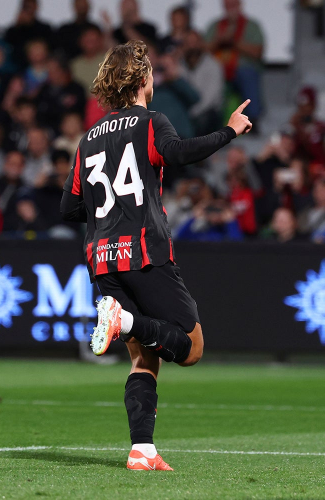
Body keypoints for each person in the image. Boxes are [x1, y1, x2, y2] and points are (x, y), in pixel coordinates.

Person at [59, 40, 251, 471]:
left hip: (102, 257)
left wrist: (107, 207)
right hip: (144, 250)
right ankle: (124, 321)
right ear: (143, 78)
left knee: (143, 357)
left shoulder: (88, 138)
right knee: (192, 348)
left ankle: (142, 450)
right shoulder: (150, 122)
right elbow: (177, 153)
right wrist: (229, 131)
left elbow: (68, 208)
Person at [205, 0, 264, 121]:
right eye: (228, 5)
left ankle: (253, 118)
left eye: (233, 5)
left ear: (239, 5)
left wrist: (234, 42)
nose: (231, 8)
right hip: (219, 71)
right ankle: (209, 118)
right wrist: (219, 41)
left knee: (247, 74)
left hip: (242, 70)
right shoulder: (215, 26)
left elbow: (257, 52)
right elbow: (203, 51)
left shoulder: (251, 26)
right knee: (209, 75)